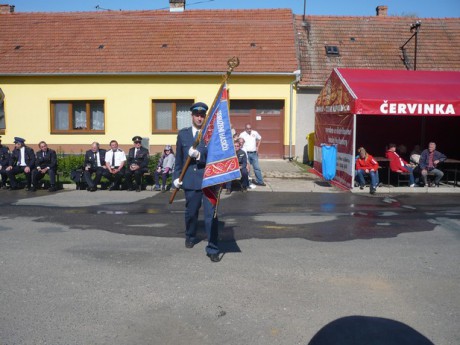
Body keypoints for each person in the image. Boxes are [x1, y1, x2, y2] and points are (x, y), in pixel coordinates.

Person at [173, 101, 220, 263]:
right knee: (191, 213)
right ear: (192, 116)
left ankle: (213, 247)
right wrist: (175, 178)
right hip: (190, 181)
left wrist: (200, 156)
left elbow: (217, 157)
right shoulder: (183, 134)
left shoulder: (211, 134)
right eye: (197, 115)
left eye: (202, 115)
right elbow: (178, 159)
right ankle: (190, 235)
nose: (199, 118)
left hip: (208, 181)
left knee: (211, 216)